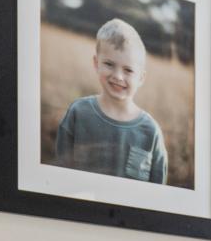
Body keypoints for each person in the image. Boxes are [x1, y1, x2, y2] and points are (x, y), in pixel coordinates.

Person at [53, 19, 169, 183]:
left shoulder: (151, 132)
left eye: (128, 70)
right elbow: (60, 176)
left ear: (141, 77)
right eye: (109, 64)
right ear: (96, 63)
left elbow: (158, 194)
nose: (118, 76)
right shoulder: (78, 113)